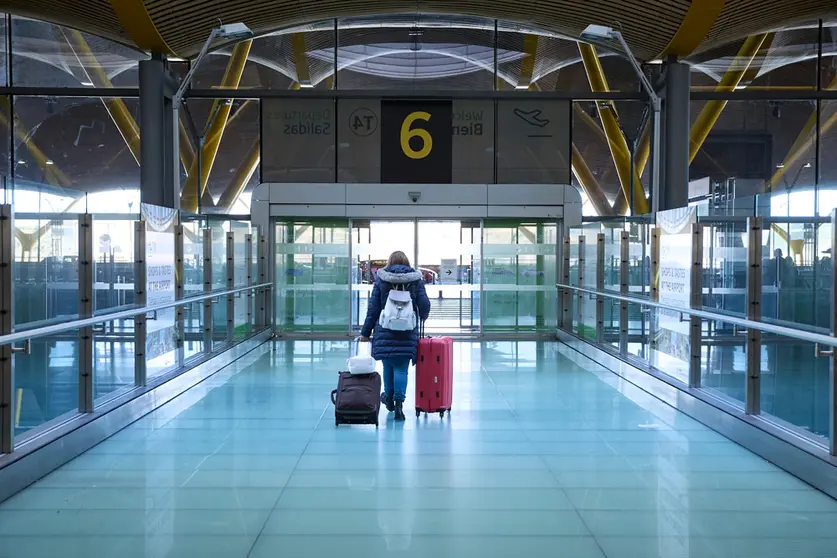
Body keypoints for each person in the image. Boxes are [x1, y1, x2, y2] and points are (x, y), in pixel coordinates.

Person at [359, 251, 430, 421]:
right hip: (407, 331)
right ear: (407, 262)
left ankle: (389, 399)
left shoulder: (381, 280)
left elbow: (373, 309)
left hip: (385, 330)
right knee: (401, 368)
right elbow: (425, 305)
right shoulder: (415, 280)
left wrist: (365, 333)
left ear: (389, 262)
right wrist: (422, 314)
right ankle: (399, 404)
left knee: (388, 366)